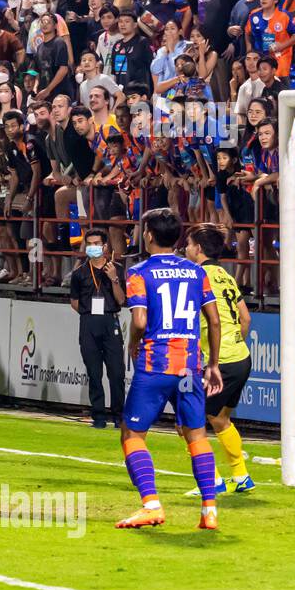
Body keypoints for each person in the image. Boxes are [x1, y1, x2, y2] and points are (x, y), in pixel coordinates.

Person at [117, 208, 224, 531]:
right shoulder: (196, 272)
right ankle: (209, 510)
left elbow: (139, 321)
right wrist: (214, 364)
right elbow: (214, 320)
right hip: (190, 366)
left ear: (148, 234)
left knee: (132, 433)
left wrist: (132, 344)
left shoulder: (139, 272)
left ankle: (151, 505)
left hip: (155, 364)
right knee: (196, 435)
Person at [185, 225, 256, 497]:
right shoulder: (226, 275)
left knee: (188, 421)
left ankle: (211, 481)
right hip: (241, 358)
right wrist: (235, 344)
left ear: (199, 249)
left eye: (189, 245)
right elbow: (245, 319)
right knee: (220, 418)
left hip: (220, 362)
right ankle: (241, 476)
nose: (187, 249)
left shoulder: (196, 276)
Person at [68, 229, 125, 429]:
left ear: (105, 246)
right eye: (89, 243)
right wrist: (88, 315)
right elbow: (74, 302)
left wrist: (113, 279)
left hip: (110, 321)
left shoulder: (116, 269)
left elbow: (121, 299)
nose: (93, 247)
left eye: (97, 243)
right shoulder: (79, 273)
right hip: (89, 322)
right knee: (94, 372)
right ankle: (99, 416)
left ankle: (119, 415)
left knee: (116, 373)